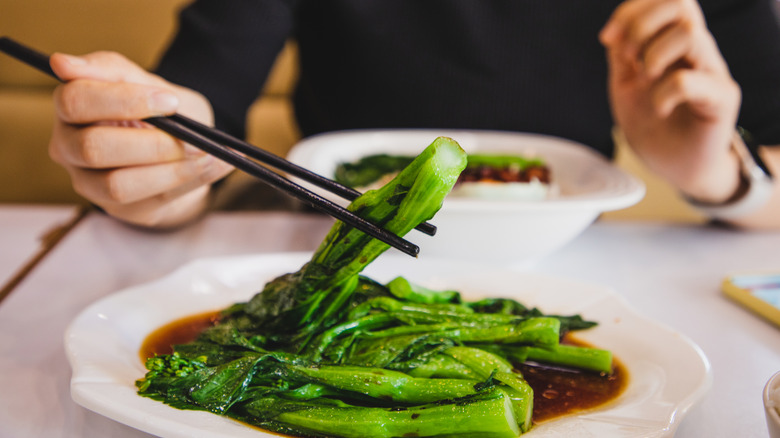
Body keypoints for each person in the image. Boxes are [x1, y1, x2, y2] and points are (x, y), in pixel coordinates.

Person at [46, 0, 780, 229]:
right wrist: (157, 158)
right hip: (322, 232)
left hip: (562, 247)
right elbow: (196, 111)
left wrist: (720, 174)